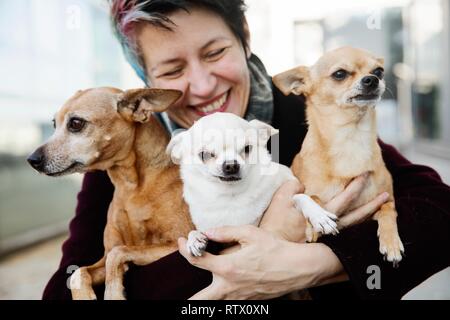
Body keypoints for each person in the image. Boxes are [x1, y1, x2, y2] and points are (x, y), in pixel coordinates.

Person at [43, 0, 450, 300]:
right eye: (172, 70)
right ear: (147, 87)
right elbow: (64, 289)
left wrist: (312, 263)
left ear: (245, 41)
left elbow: (439, 212)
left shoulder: (311, 113)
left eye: (215, 52)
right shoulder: (126, 159)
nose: (202, 86)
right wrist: (248, 254)